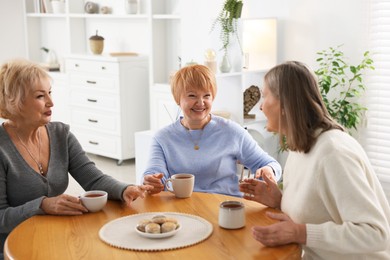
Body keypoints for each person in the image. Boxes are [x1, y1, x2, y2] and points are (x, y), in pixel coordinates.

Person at [239, 61, 390, 259]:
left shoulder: (333, 154)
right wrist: (279, 200)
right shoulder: (301, 146)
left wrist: (299, 232)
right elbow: (318, 211)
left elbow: (376, 233)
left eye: (265, 96)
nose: (260, 106)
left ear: (284, 104)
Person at [0, 59, 153, 254]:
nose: (51, 102)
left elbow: (93, 179)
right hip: (13, 247)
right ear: (14, 102)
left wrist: (124, 189)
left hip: (54, 237)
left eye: (50, 92)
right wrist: (42, 205)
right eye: (40, 96)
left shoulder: (60, 134)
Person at [142, 64, 282, 197]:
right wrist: (152, 181)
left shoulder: (232, 131)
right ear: (177, 98)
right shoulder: (162, 138)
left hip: (226, 208)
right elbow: (154, 173)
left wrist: (269, 171)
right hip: (182, 209)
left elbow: (271, 164)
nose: (201, 102)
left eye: (206, 96)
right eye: (192, 96)